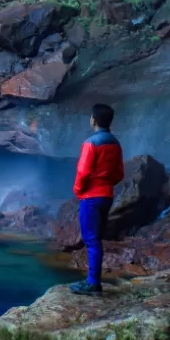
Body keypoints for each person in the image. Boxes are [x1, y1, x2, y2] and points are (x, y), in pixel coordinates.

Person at [69, 103, 124, 295]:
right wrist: (106, 183)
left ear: (93, 120)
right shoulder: (115, 143)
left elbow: (83, 171)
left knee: (91, 240)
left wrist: (78, 190)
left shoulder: (91, 143)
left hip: (90, 197)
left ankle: (93, 283)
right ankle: (94, 281)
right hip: (106, 196)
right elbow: (119, 173)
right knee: (96, 239)